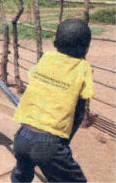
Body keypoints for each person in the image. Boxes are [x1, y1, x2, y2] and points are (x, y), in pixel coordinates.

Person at [11, 19, 94, 182]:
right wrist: (63, 144)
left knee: (22, 174)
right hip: (48, 144)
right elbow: (79, 112)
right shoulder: (83, 68)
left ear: (55, 43)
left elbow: (34, 77)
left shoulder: (46, 58)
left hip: (22, 137)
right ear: (86, 48)